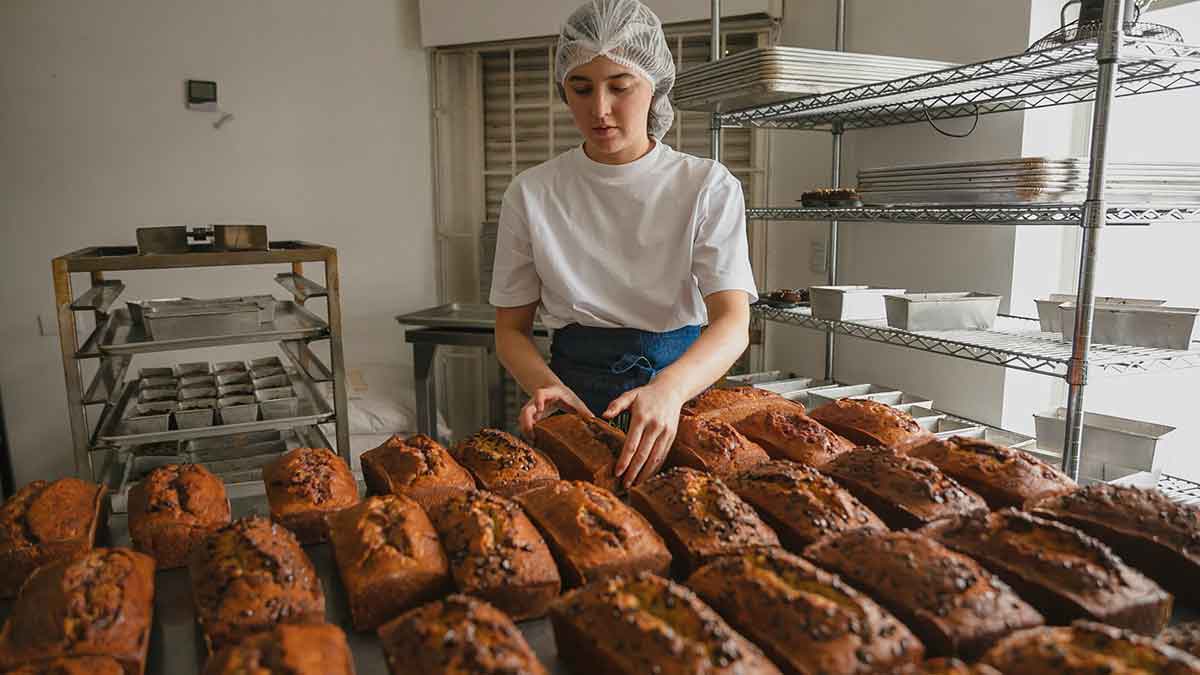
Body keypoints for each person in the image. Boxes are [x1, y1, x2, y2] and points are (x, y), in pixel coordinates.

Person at [490, 0, 758, 488]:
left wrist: (669, 390)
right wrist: (548, 388)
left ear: (653, 85)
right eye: (581, 88)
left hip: (682, 393)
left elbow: (733, 323)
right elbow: (510, 331)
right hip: (573, 396)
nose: (600, 109)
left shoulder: (705, 185)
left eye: (620, 86)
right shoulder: (532, 193)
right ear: (563, 90)